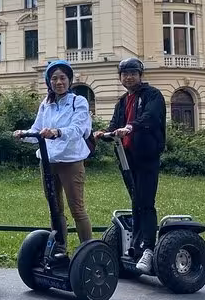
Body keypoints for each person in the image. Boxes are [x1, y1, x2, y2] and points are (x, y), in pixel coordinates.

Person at [13, 59, 93, 259]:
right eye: (54, 78)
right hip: (48, 161)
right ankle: (60, 249)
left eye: (63, 78)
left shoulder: (78, 102)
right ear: (49, 82)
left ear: (69, 80)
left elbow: (78, 130)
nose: (59, 82)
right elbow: (38, 129)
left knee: (77, 208)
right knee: (54, 208)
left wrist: (57, 132)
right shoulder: (46, 104)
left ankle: (88, 251)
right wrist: (24, 134)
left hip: (70, 161)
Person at [93, 57, 166, 273]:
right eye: (125, 74)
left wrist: (130, 127)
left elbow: (151, 118)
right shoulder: (123, 101)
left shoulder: (152, 95)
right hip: (127, 158)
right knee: (136, 200)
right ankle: (135, 246)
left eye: (133, 73)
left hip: (146, 157)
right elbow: (115, 126)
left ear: (140, 75)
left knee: (145, 202)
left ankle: (149, 250)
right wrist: (102, 134)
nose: (129, 77)